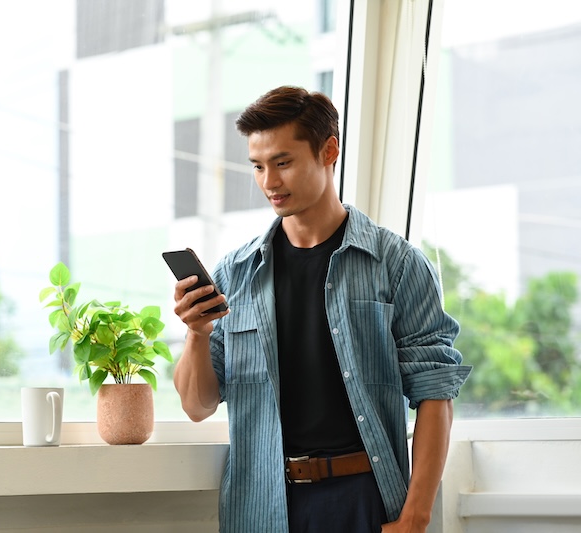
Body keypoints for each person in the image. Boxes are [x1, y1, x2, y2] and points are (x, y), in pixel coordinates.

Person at [171, 85, 471, 533]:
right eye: (258, 166)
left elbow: (435, 394)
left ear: (329, 151)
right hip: (263, 506)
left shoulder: (399, 265)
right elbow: (198, 406)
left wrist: (415, 517)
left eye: (283, 162)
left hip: (363, 501)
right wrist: (197, 334)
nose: (269, 182)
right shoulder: (235, 274)